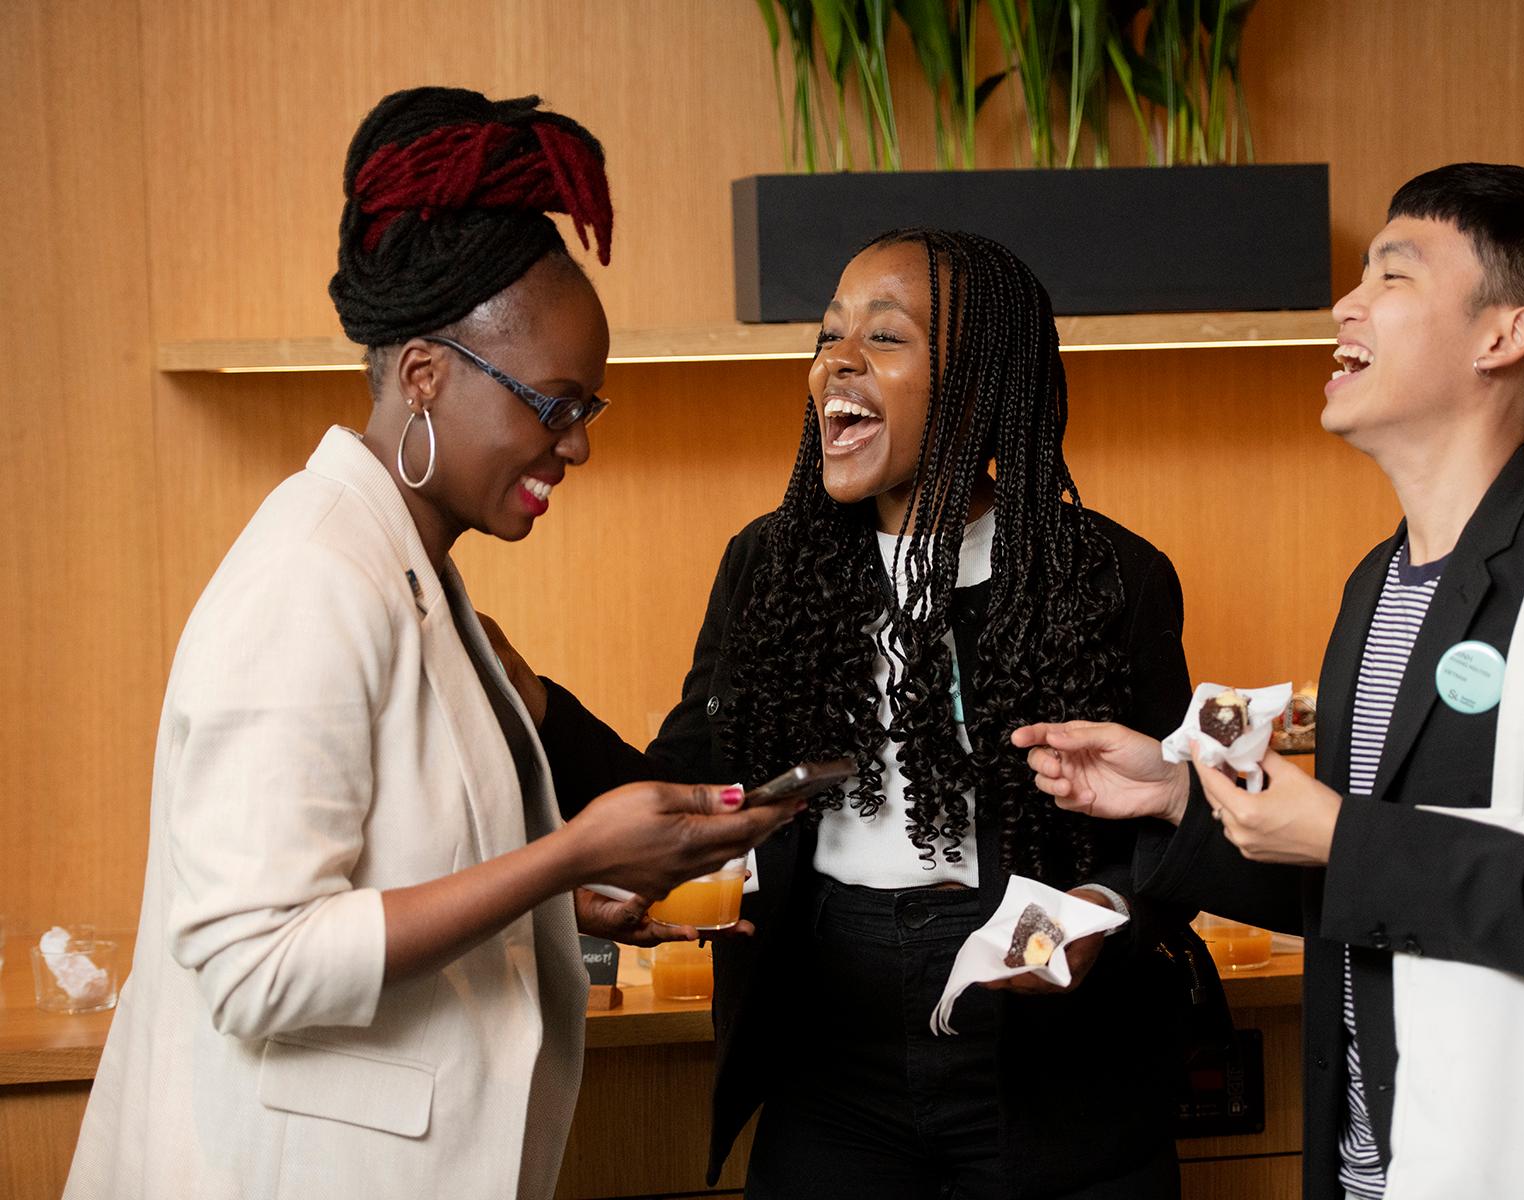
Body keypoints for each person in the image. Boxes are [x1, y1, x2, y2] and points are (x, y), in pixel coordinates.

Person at [63, 87, 800, 1200]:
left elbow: (400, 869)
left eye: (589, 408)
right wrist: (569, 856)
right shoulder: (309, 583)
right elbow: (256, 966)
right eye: (554, 405)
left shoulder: (413, 575)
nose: (577, 445)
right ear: (423, 376)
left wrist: (558, 903)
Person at [1013, 163, 1524, 1199]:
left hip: (1516, 1161)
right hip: (1373, 1165)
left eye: (1393, 275)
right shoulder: (1377, 585)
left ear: (1503, 336)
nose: (1346, 303)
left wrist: (1344, 835)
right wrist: (1174, 797)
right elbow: (1368, 893)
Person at [496, 229, 1204, 1198]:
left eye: (886, 338)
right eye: (829, 336)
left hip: (1056, 1061)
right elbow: (685, 791)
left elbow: (1172, 822)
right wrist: (532, 701)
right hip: (829, 1046)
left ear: (979, 381)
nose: (838, 360)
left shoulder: (1108, 576)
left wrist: (1102, 912)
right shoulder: (771, 565)